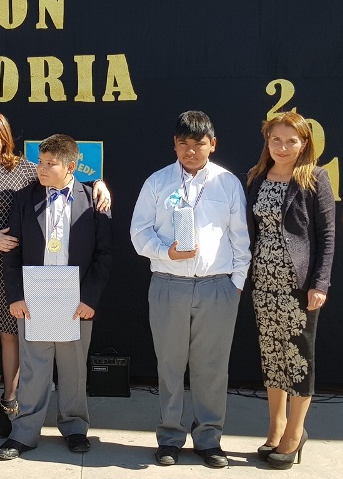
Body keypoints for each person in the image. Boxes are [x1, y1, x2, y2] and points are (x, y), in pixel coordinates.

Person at [0, 108, 111, 439]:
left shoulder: (26, 171)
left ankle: (39, 414)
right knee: (11, 350)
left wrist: (99, 184)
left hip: (54, 284)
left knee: (56, 357)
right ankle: (4, 416)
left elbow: (67, 184)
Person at [130, 111, 251, 468]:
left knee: (211, 368)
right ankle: (170, 438)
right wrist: (164, 251)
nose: (190, 151)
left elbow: (240, 238)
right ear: (174, 144)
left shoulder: (228, 183)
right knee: (169, 365)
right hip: (169, 285)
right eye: (183, 143)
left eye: (198, 144)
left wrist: (236, 285)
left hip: (217, 288)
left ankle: (209, 439)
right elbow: (139, 232)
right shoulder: (158, 182)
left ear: (213, 144)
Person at [0, 134, 113, 459]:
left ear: (70, 166)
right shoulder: (24, 198)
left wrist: (90, 299)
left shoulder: (94, 200)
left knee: (74, 368)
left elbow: (104, 255)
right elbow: (12, 251)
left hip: (76, 299)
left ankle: (75, 428)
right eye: (40, 162)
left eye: (50, 164)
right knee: (34, 368)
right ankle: (24, 432)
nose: (42, 169)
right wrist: (16, 295)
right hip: (34, 297)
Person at [246, 112, 335, 469]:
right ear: (267, 142)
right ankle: (276, 426)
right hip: (263, 283)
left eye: (291, 141)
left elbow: (327, 236)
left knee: (298, 359)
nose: (282, 147)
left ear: (304, 143)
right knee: (272, 357)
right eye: (276, 140)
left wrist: (320, 284)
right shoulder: (257, 177)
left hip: (299, 287)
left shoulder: (314, 178)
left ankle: (295, 433)